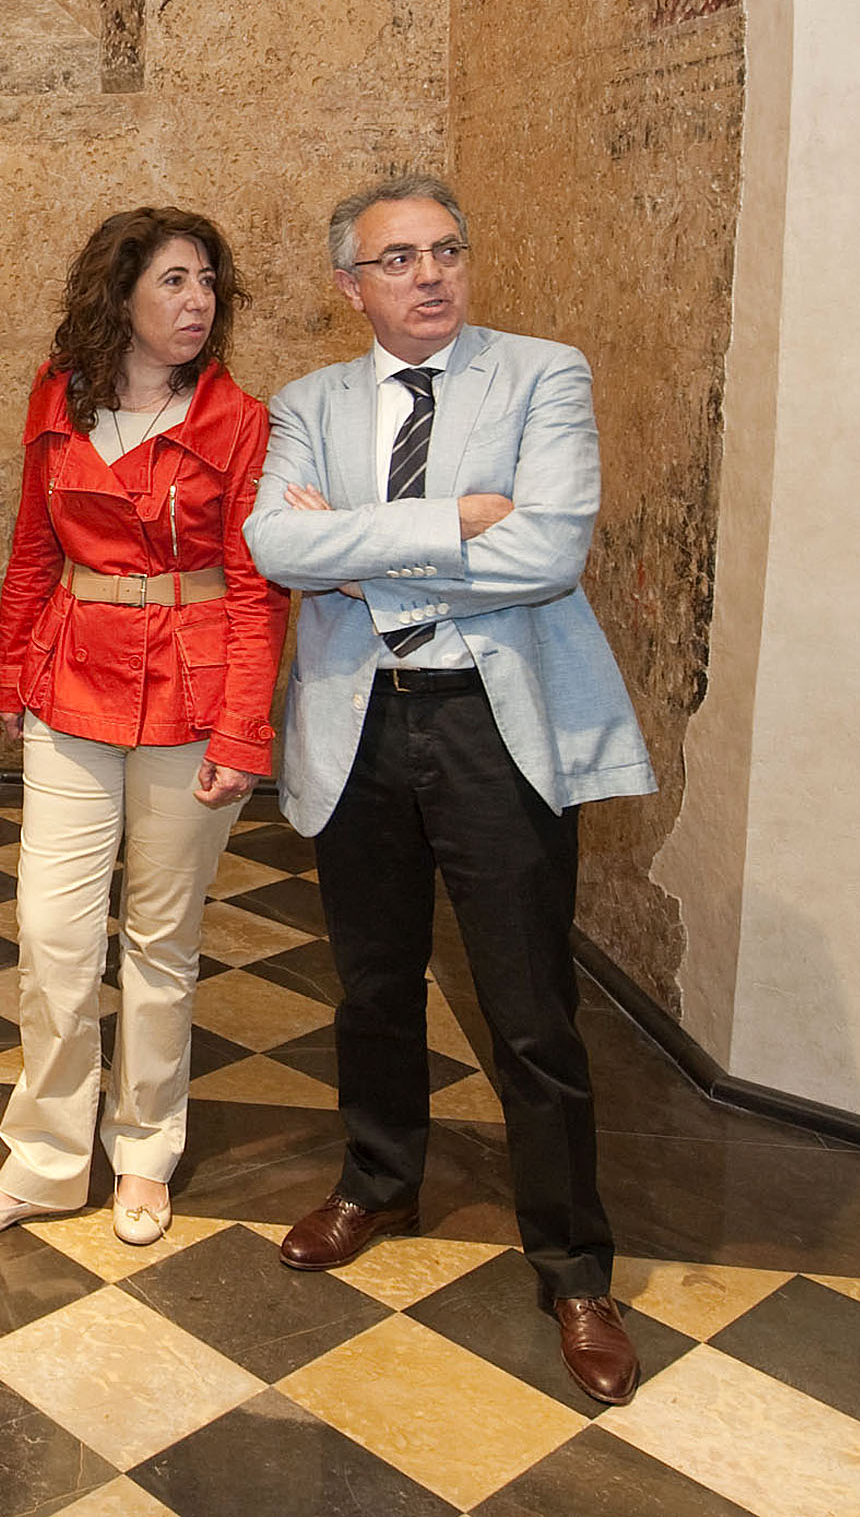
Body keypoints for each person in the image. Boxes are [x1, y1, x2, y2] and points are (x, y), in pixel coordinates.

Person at [241, 170, 656, 1405]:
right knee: (372, 983)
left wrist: (361, 545)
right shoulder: (306, 401)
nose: (429, 275)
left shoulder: (543, 374)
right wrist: (451, 522)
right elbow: (274, 545)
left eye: (446, 252)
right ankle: (377, 1179)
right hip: (359, 723)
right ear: (350, 285)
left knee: (528, 1007)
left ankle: (574, 1264)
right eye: (400, 259)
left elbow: (548, 549)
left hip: (494, 728)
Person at [0, 207, 284, 1247]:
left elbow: (257, 590)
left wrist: (242, 733)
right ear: (121, 295)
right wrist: (11, 674)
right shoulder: (60, 398)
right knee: (52, 930)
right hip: (71, 683)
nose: (197, 302)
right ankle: (45, 1158)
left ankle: (143, 1151)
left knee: (160, 938)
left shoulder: (239, 420)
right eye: (176, 281)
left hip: (193, 690)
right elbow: (32, 549)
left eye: (209, 283)